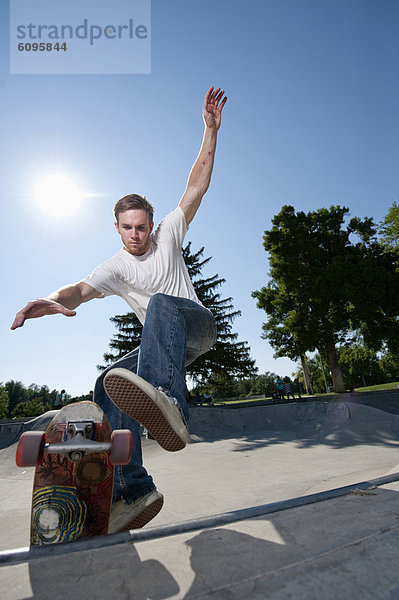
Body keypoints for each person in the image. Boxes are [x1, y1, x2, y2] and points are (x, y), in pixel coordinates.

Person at [11, 86, 227, 534]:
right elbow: (77, 291)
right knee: (109, 383)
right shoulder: (114, 267)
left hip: (195, 327)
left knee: (162, 306)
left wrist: (210, 131)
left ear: (152, 224)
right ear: (117, 227)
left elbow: (197, 186)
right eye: (127, 229)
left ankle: (171, 404)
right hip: (163, 349)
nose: (136, 236)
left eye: (142, 227)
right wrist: (50, 302)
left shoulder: (169, 231)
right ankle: (133, 487)